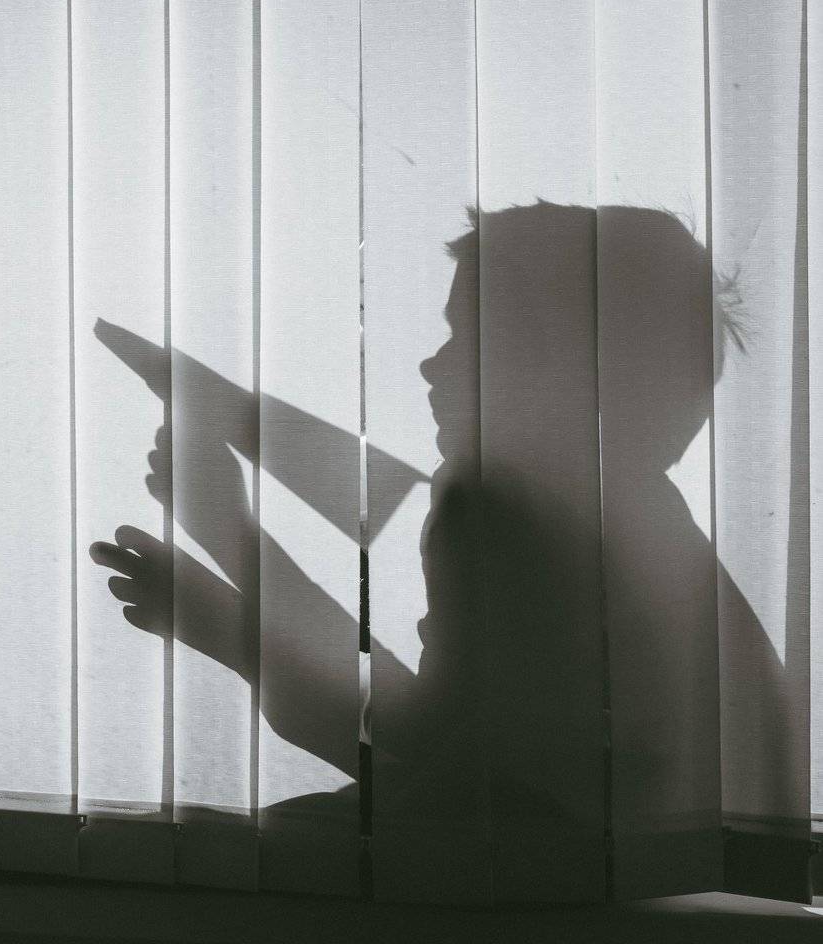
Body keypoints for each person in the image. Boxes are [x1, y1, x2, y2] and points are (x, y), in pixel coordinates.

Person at [90, 202, 794, 896]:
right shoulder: (642, 524)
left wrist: (231, 596)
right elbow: (446, 744)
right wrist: (231, 534)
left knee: (143, 862)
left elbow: (424, 769)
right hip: (656, 902)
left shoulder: (499, 503)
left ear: (556, 366)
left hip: (558, 905)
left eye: (466, 339)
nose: (432, 364)